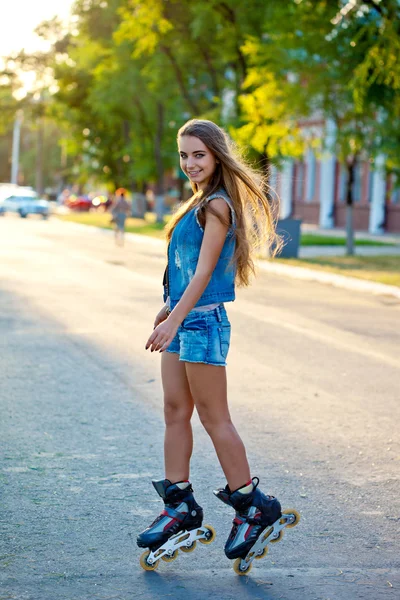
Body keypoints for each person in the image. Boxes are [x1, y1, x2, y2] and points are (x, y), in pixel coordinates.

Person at [137, 119, 286, 569]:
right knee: (174, 411)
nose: (190, 163)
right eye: (184, 155)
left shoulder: (218, 206)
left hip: (202, 325)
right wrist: (168, 309)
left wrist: (175, 319)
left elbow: (204, 274)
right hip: (182, 320)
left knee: (213, 417)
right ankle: (179, 504)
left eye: (198, 154)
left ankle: (253, 506)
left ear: (217, 155)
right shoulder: (198, 202)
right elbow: (183, 270)